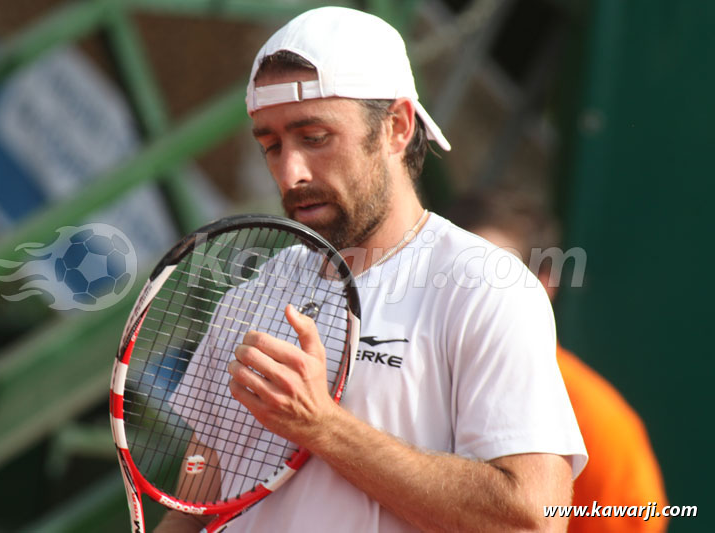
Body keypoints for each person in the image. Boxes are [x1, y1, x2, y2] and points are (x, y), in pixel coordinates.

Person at [157, 7, 586, 532]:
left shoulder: (490, 289)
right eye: (271, 145)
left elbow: (532, 519)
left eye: (314, 137)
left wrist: (323, 426)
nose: (290, 172)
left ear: (397, 127)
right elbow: (198, 500)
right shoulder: (257, 288)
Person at [446, 189, 669, 533]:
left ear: (544, 283)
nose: (469, 295)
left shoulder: (599, 424)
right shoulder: (388, 378)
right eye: (451, 274)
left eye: (492, 277)